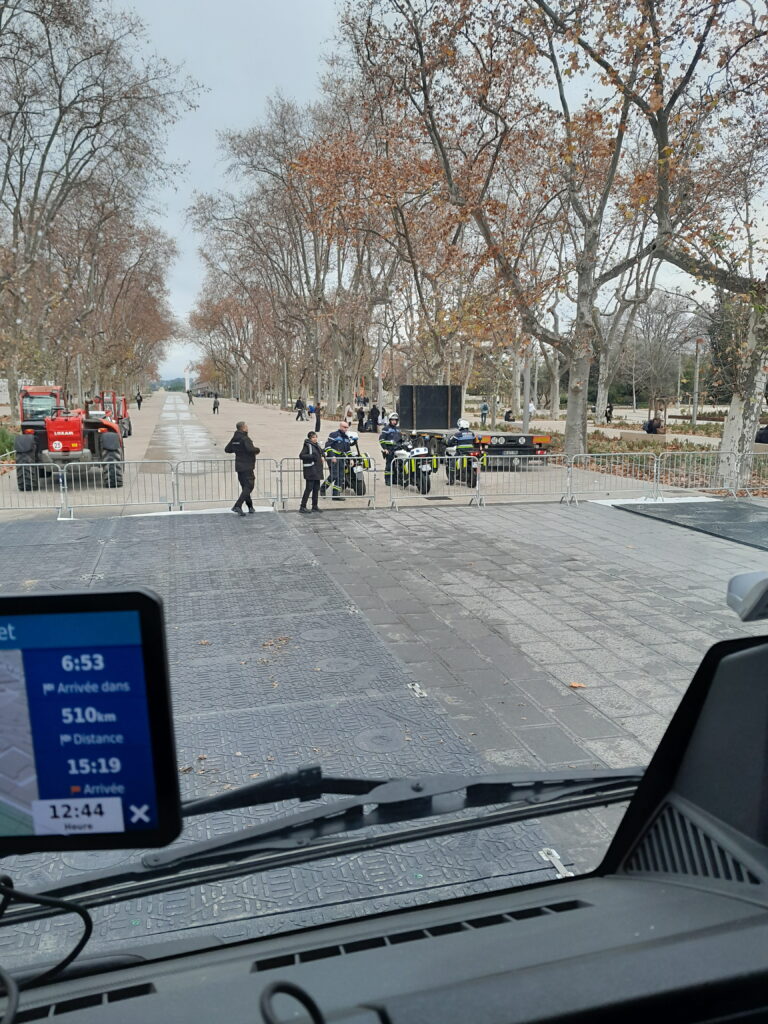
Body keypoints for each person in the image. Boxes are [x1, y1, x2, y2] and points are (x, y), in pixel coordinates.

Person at [224, 420, 260, 516]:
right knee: (249, 486)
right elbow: (250, 450)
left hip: (239, 466)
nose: (247, 427)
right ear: (243, 428)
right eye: (246, 426)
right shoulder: (245, 438)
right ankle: (237, 505)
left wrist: (237, 449)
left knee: (245, 487)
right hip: (247, 466)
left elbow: (227, 449)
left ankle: (250, 507)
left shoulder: (235, 438)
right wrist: (257, 450)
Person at [322, 421, 353, 500]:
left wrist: (351, 459)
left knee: (340, 477)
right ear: (340, 427)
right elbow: (328, 447)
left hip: (341, 459)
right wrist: (332, 456)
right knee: (334, 475)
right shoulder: (333, 435)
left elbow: (348, 450)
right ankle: (322, 488)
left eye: (347, 427)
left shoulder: (346, 438)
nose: (345, 429)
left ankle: (336, 495)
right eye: (344, 427)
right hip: (333, 459)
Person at [298, 431, 324, 513]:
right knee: (309, 489)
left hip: (317, 471)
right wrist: (312, 457)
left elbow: (321, 452)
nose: (315, 438)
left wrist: (323, 455)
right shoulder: (307, 445)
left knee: (316, 489)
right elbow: (301, 455)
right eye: (313, 437)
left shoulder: (317, 445)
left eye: (316, 437)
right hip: (310, 471)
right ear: (310, 438)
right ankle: (302, 506)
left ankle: (314, 506)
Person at [379, 411, 404, 484]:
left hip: (398, 449)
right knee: (389, 465)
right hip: (389, 450)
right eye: (393, 420)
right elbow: (381, 439)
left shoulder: (398, 429)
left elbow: (400, 439)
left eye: (395, 420)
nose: (394, 421)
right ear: (390, 420)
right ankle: (388, 480)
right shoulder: (386, 429)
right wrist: (385, 448)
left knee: (398, 464)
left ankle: (396, 479)